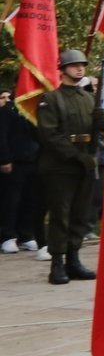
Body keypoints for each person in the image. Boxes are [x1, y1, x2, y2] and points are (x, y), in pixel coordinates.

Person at [35, 49, 104, 285]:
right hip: (60, 167)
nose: (79, 68)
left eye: (82, 65)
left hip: (84, 164)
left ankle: (73, 260)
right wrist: (76, 156)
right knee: (60, 216)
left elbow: (96, 131)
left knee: (80, 216)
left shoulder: (88, 99)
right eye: (74, 65)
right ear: (62, 69)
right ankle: (57, 264)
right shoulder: (50, 99)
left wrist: (100, 123)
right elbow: (50, 135)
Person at [0, 88, 41, 255]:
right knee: (11, 201)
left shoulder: (37, 109)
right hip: (14, 162)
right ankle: (7, 236)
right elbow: (1, 136)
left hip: (33, 160)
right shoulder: (7, 111)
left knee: (29, 200)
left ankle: (25, 235)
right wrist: (4, 159)